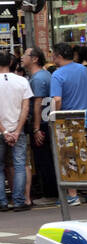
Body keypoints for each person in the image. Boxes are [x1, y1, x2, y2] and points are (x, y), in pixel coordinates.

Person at [49, 43, 87, 205]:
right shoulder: (84, 70)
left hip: (67, 121)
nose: (51, 58)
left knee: (68, 157)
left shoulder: (57, 75)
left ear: (59, 56)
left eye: (53, 55)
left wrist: (55, 116)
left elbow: (57, 100)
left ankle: (72, 195)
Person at [22, 47, 56, 206]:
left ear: (34, 59)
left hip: (41, 124)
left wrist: (36, 128)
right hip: (47, 122)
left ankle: (49, 194)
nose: (22, 58)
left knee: (44, 160)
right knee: (48, 158)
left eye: (25, 55)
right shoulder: (45, 75)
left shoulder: (37, 79)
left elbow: (37, 104)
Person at [0, 51, 33, 212]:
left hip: (2, 130)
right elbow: (25, 107)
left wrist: (5, 131)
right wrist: (17, 130)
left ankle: (2, 202)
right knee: (20, 164)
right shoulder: (22, 81)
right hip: (18, 129)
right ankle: (19, 201)